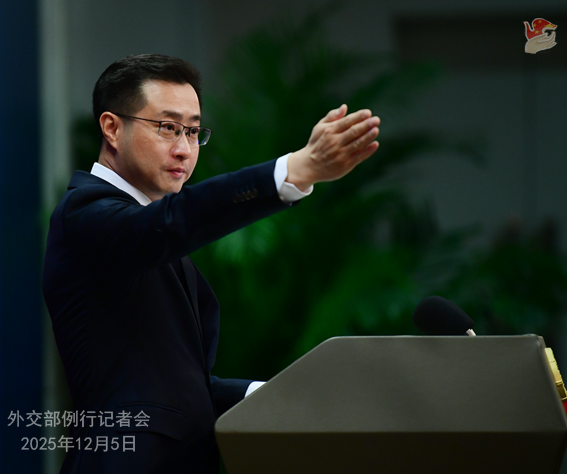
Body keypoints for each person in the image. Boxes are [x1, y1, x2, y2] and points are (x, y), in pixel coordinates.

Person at [43, 53, 380, 474]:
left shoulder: (145, 229)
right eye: (167, 128)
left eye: (193, 132)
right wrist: (293, 170)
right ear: (112, 128)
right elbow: (173, 221)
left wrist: (273, 394)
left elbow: (169, 389)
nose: (184, 150)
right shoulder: (86, 213)